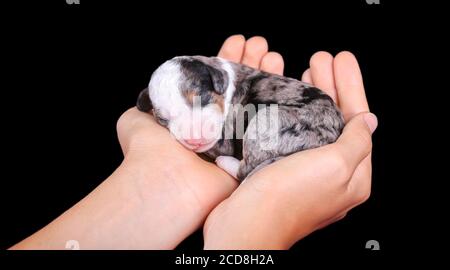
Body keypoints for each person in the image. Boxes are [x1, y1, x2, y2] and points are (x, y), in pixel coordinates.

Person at [10, 35, 377, 250]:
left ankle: (249, 168)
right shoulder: (208, 97)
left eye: (199, 103)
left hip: (303, 120)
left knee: (264, 124)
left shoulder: (231, 81)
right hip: (287, 131)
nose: (191, 133)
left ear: (217, 80)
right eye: (169, 121)